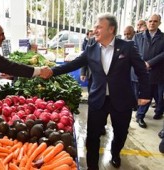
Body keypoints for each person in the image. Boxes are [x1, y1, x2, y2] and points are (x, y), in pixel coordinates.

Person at [40, 13, 150, 169]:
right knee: (92, 136)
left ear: (111, 29)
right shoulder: (91, 49)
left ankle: (115, 153)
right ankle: (92, 166)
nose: (95, 30)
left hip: (122, 99)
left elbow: (142, 71)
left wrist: (144, 94)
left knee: (120, 133)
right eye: (95, 27)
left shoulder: (128, 47)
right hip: (98, 99)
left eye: (99, 26)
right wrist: (51, 71)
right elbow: (73, 65)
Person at [133, 14, 164, 129]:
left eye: (155, 21)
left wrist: (150, 63)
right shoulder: (138, 37)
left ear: (159, 23)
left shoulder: (163, 37)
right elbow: (134, 51)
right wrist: (142, 64)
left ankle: (159, 111)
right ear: (147, 22)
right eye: (150, 21)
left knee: (157, 96)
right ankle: (140, 116)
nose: (152, 23)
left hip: (157, 72)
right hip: (141, 71)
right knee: (145, 94)